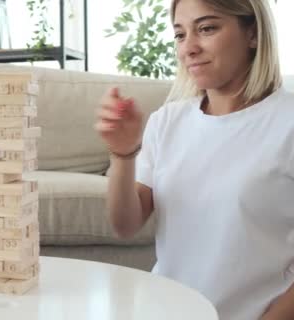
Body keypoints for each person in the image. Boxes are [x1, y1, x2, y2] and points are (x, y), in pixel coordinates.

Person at [96, 0, 294, 319]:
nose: (188, 48)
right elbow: (125, 225)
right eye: (179, 34)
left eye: (206, 28)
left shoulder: (288, 122)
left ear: (253, 34)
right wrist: (122, 153)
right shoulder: (167, 121)